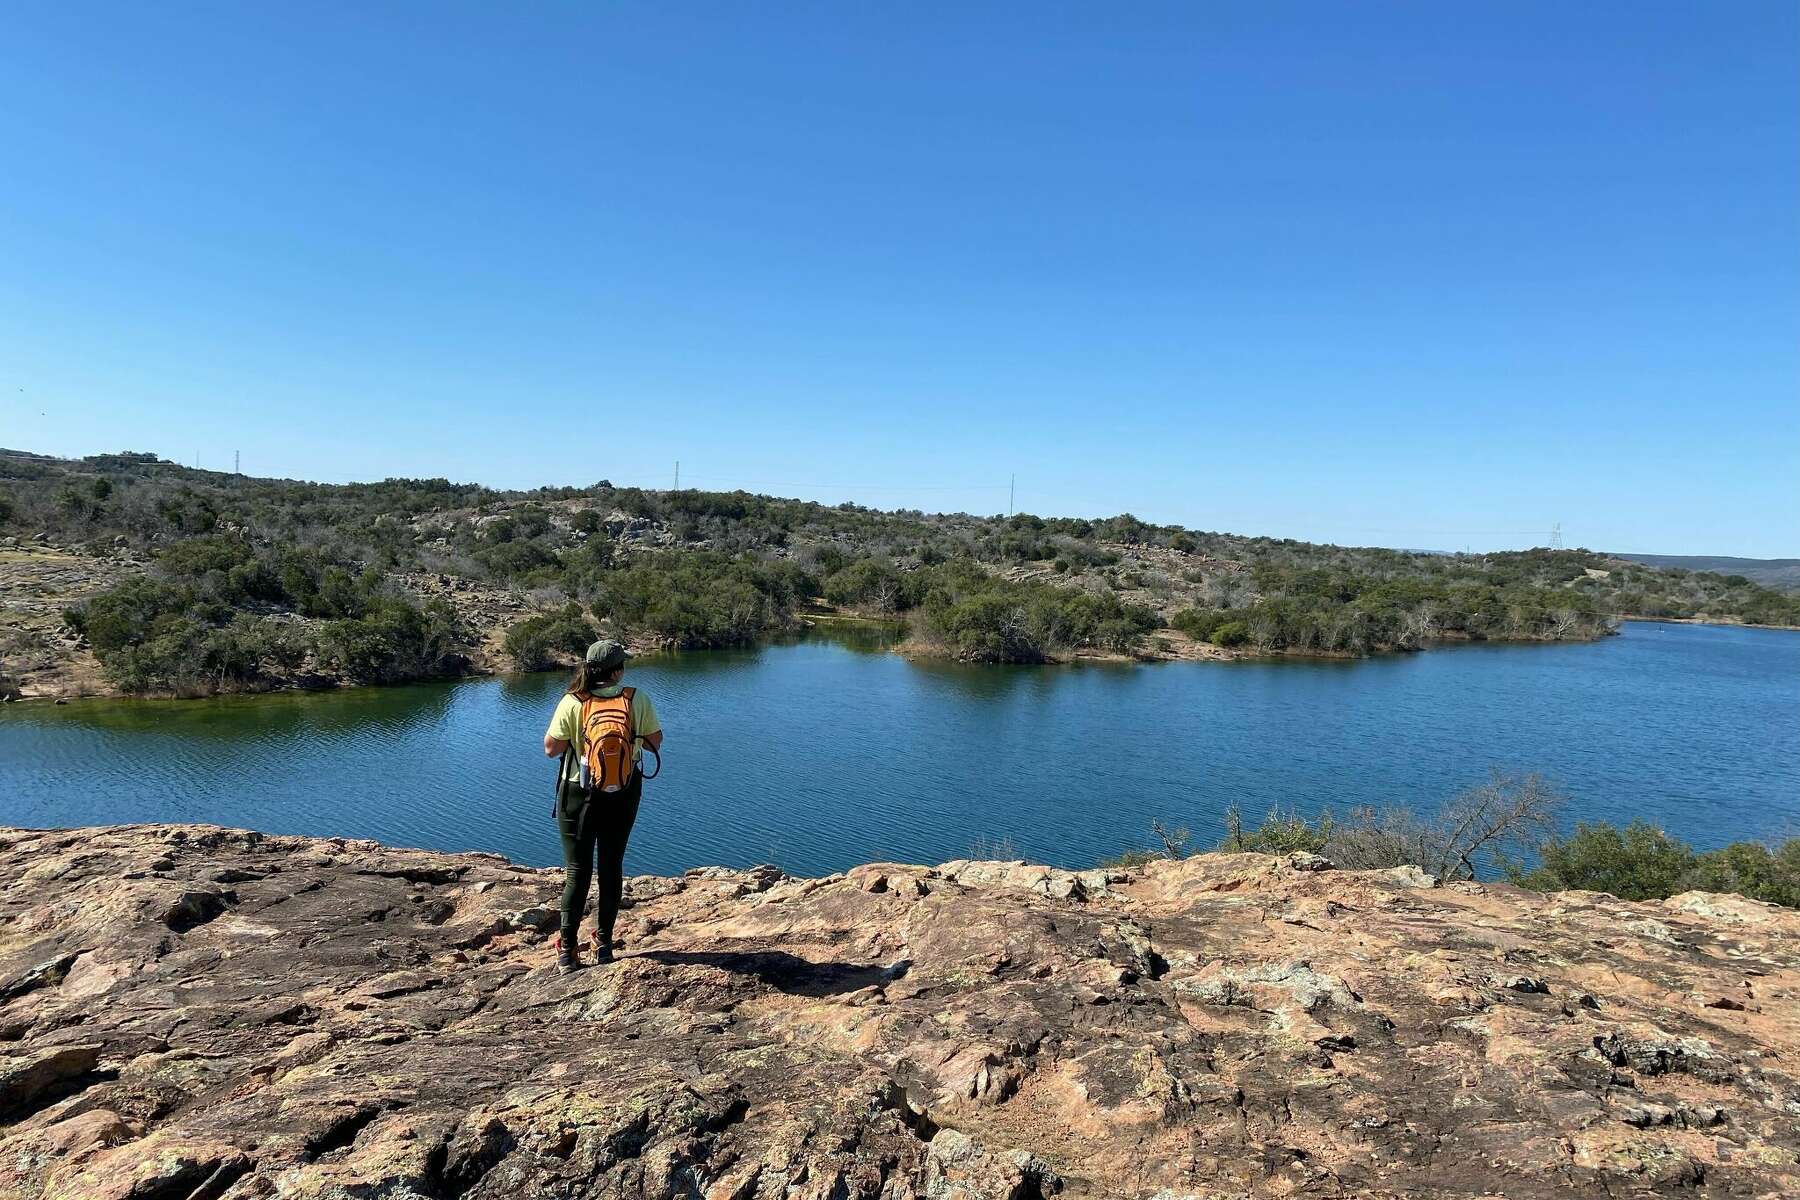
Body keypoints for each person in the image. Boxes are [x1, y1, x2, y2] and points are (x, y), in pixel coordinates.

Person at [543, 638, 662, 972]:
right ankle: (604, 944)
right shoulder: (635, 699)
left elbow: (551, 749)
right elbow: (656, 741)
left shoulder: (573, 702)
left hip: (577, 792)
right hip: (623, 791)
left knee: (577, 872)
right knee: (611, 868)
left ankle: (567, 950)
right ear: (618, 670)